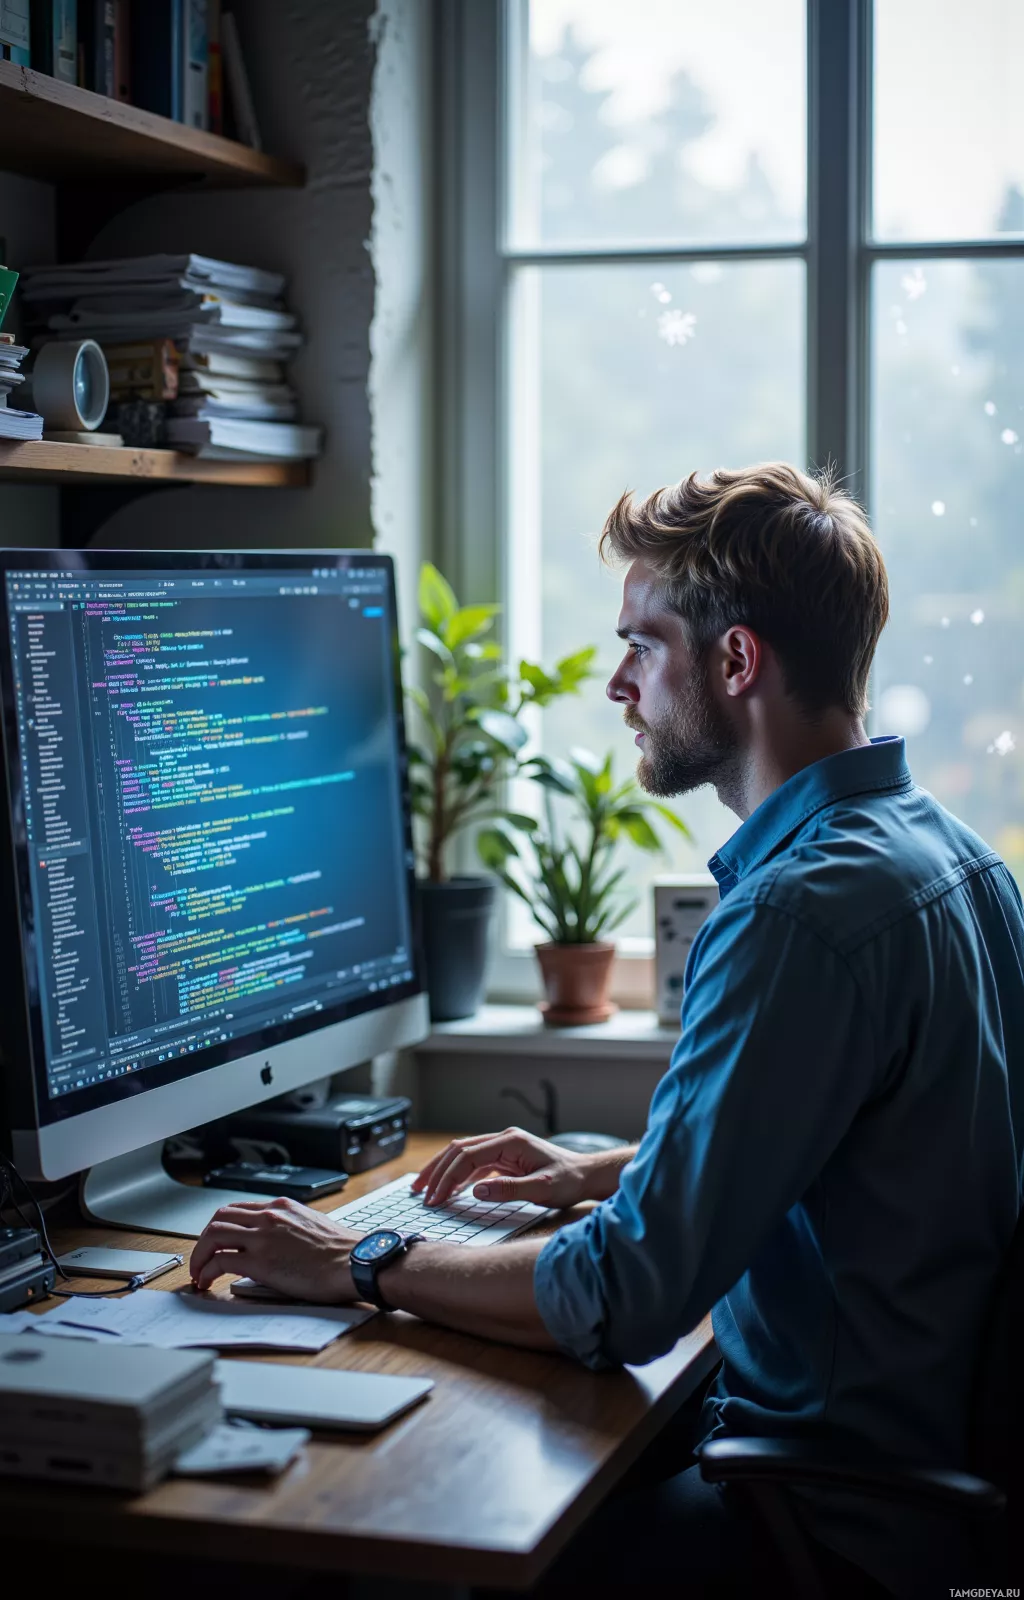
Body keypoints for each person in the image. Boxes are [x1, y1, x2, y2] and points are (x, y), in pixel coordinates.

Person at [190, 464, 1024, 1597]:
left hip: (823, 1530)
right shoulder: (955, 861)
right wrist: (599, 1172)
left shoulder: (791, 916)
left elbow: (627, 1296)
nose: (620, 684)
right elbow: (882, 1151)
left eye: (642, 645)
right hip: (918, 1486)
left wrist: (363, 1261)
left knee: (415, 1534)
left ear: (735, 663)